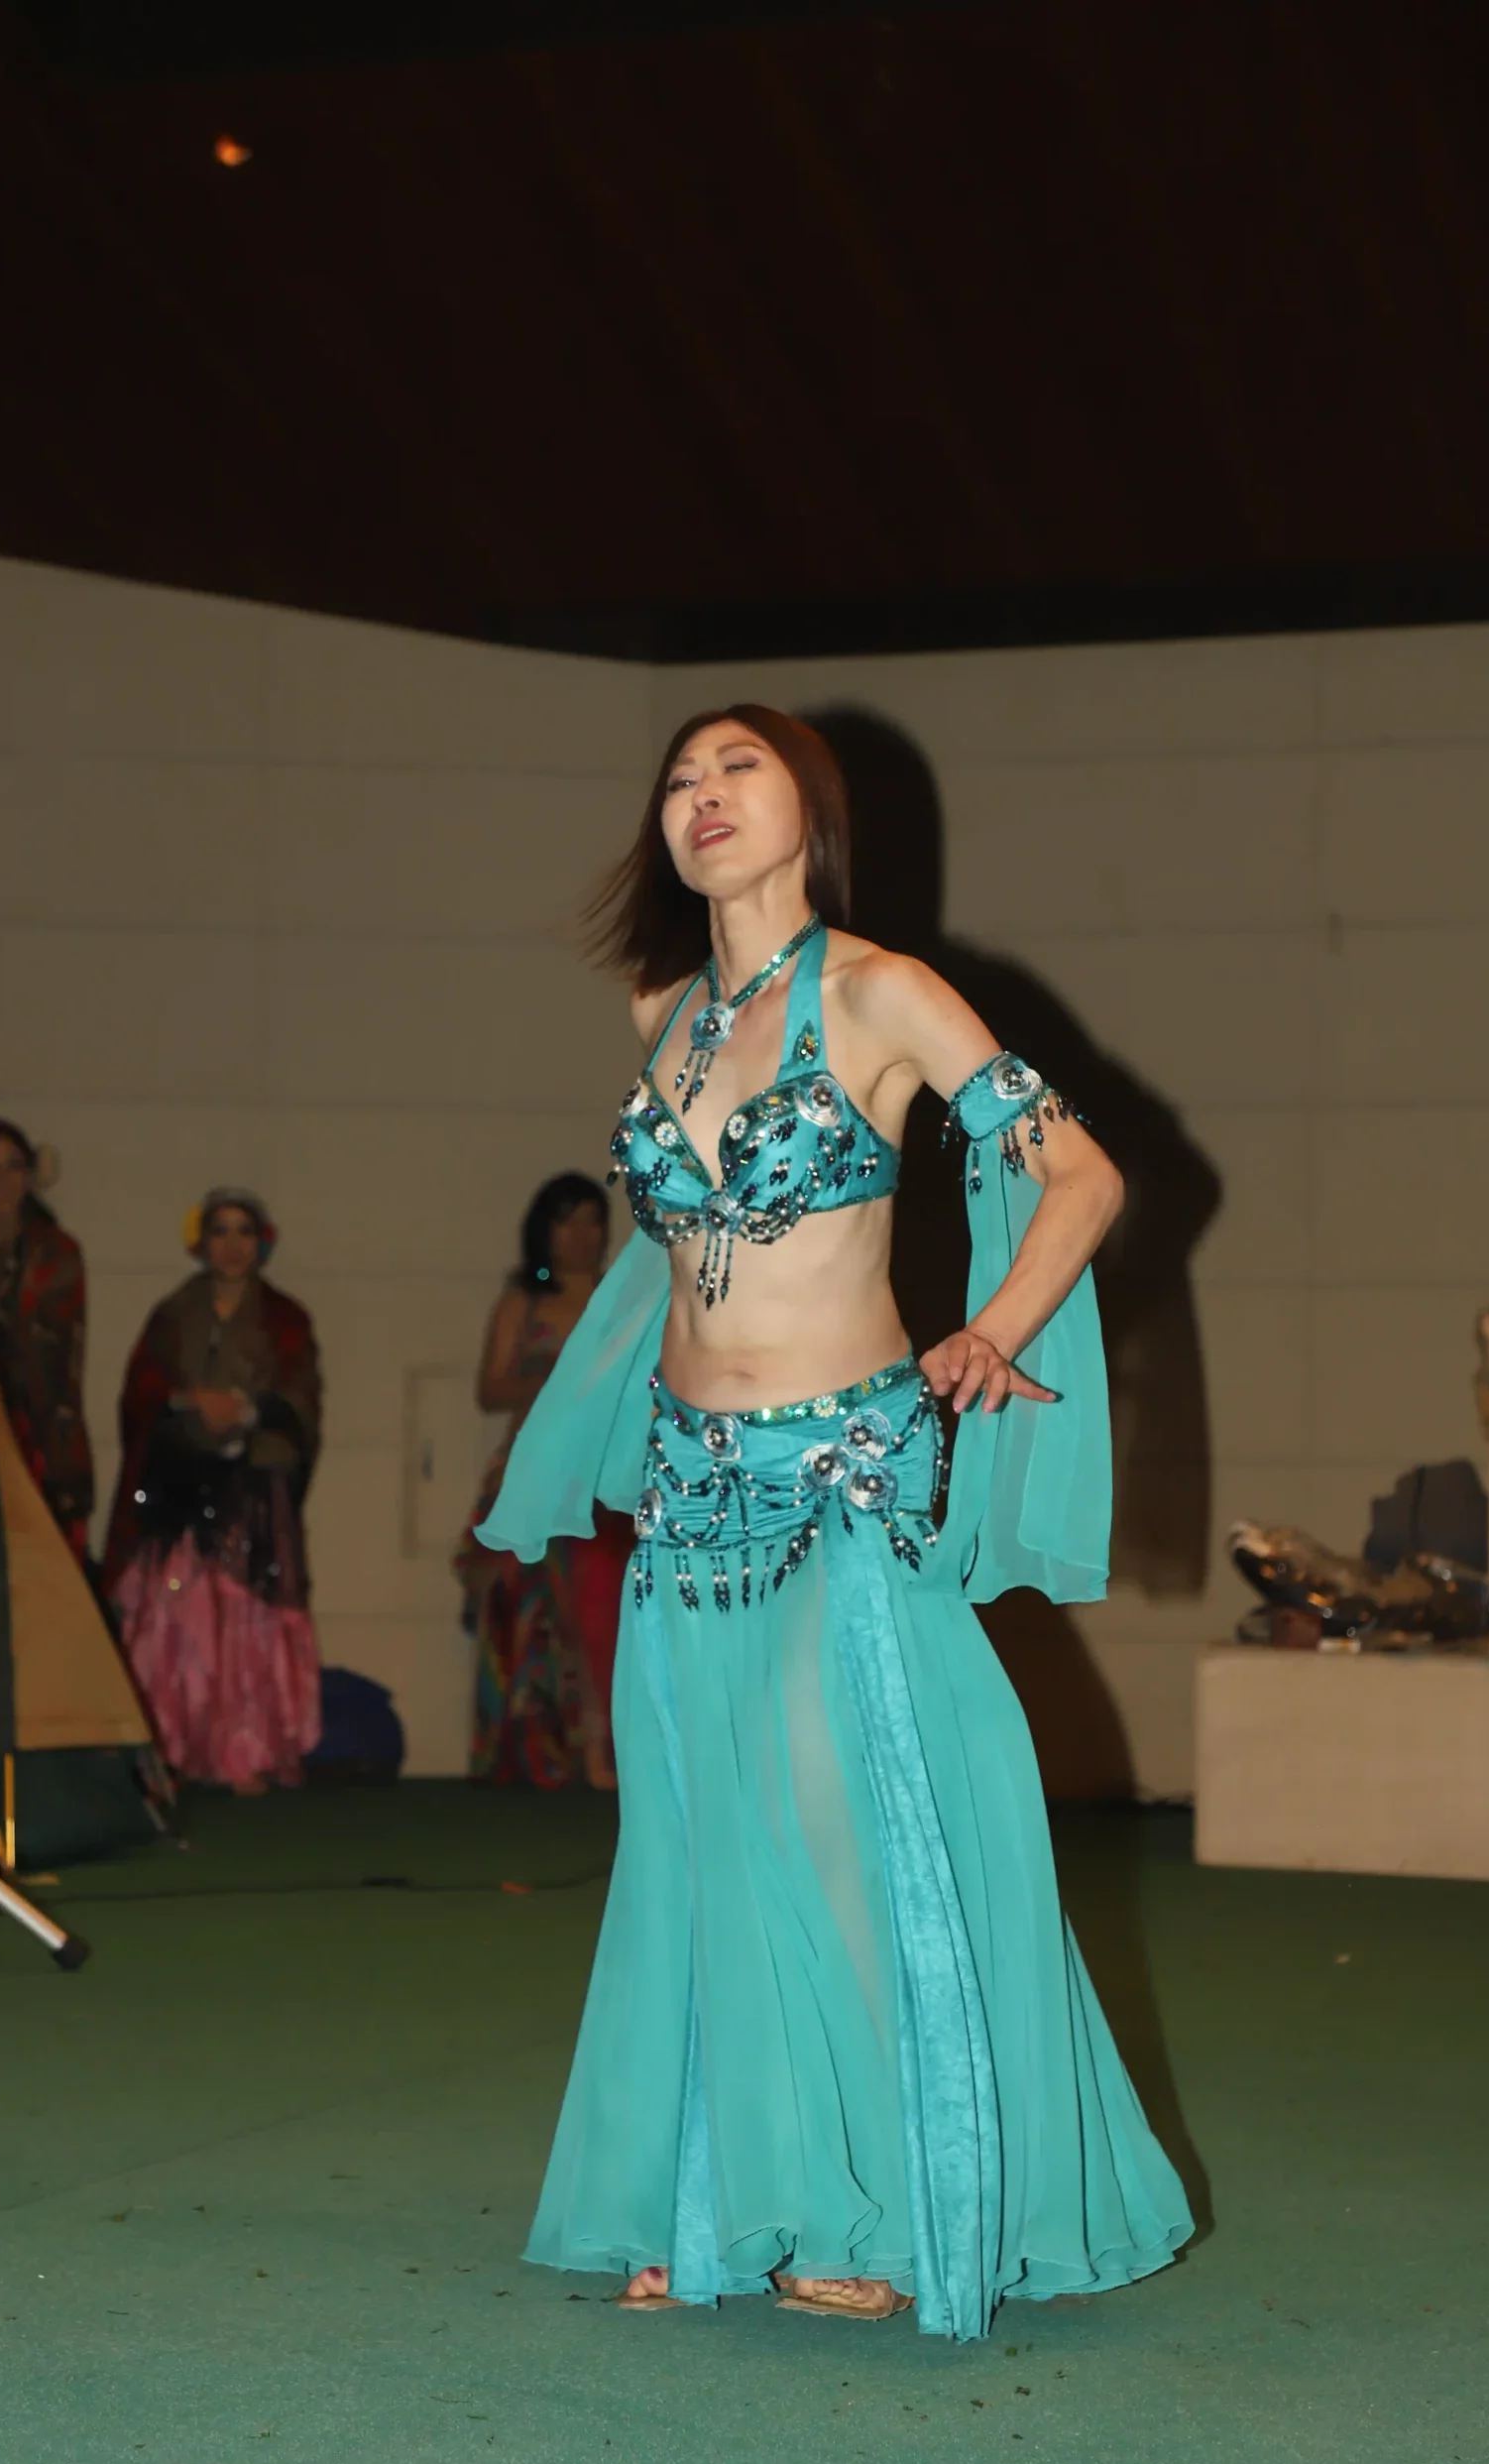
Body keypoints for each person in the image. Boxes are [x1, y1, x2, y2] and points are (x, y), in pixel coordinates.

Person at [479, 704, 1193, 2336]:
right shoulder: (661, 1011)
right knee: (694, 1833)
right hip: (686, 1481)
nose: (701, 797)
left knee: (830, 1820)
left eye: (735, 769)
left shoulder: (880, 991)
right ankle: (715, 2205)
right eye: (677, 778)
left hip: (839, 1474)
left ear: (809, 806)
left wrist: (993, 1328)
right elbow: (665, 1261)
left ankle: (873, 2203)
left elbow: (1081, 1176)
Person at [101, 1191, 322, 1798]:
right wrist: (189, 1402)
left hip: (252, 1487)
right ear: (200, 1243)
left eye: (243, 1232)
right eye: (219, 1231)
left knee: (245, 1614)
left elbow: (301, 1400)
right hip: (179, 1487)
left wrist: (246, 1410)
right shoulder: (172, 1315)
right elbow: (140, 1393)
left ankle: (244, 1749)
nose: (231, 1245)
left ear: (262, 1242)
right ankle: (171, 1746)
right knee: (178, 1614)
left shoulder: (286, 1320)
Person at [458, 1173, 629, 1790]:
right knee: (525, 1609)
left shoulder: (624, 1296)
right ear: (544, 1231)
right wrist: (561, 1379)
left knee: (601, 1609)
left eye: (592, 1220)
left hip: (603, 1477)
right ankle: (530, 1753)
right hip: (532, 1476)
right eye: (566, 1221)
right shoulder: (523, 1302)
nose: (581, 1235)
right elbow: (490, 1389)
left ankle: (601, 1753)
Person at [0, 1116, 94, 1559]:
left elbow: (55, 1355)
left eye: (14, 1166)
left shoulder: (56, 1252)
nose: (3, 1179)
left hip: (35, 1432)